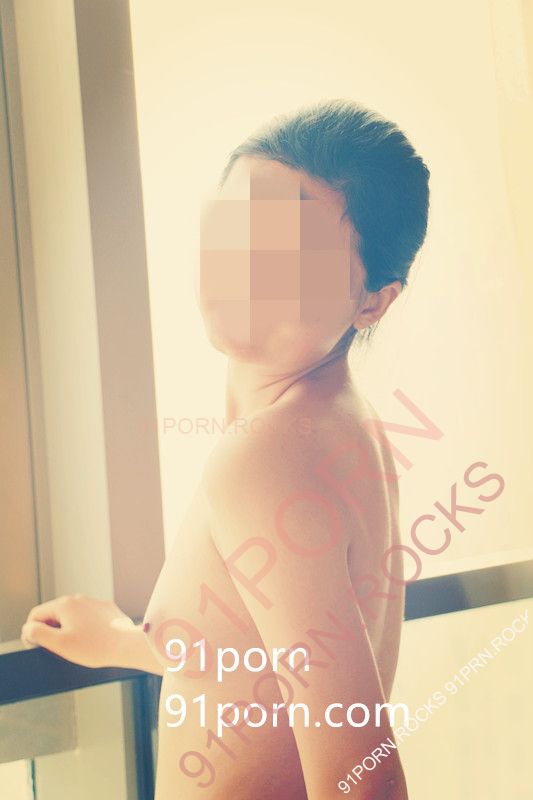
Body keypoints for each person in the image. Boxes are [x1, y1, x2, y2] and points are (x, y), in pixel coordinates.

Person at [21, 98, 430, 799]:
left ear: (373, 301)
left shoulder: (270, 453)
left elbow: (367, 782)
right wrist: (121, 640)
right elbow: (268, 656)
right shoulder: (332, 422)